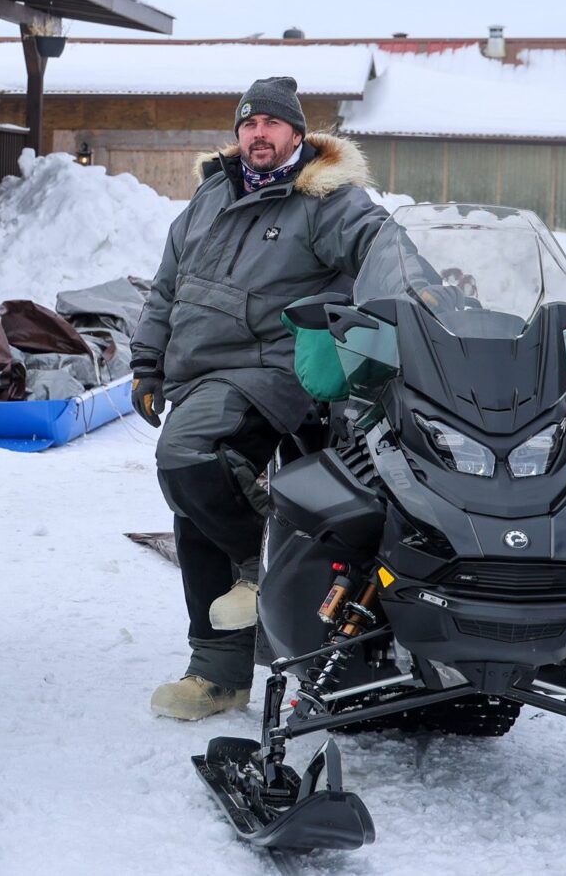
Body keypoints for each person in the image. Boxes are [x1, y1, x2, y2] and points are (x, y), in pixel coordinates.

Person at [130, 76, 390, 720]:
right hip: (197, 372)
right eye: (249, 124)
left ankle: (262, 562)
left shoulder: (325, 201)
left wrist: (437, 304)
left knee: (188, 456)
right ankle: (218, 675)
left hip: (271, 366)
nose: (259, 134)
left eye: (272, 125)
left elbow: (388, 253)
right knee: (195, 514)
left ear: (298, 136)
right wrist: (146, 363)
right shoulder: (208, 199)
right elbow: (167, 290)